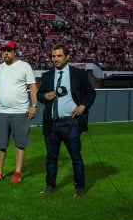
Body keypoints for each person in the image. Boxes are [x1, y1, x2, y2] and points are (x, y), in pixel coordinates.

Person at [36, 44, 96, 197]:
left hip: (72, 123)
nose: (55, 59)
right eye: (53, 56)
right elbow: (39, 95)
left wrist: (83, 105)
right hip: (52, 123)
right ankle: (50, 186)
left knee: (76, 157)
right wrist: (44, 96)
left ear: (67, 57)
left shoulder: (78, 74)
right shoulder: (47, 75)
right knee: (51, 158)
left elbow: (91, 93)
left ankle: (80, 188)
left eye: (59, 56)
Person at [0, 40, 38, 183]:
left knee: (20, 143)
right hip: (1, 112)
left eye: (8, 50)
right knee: (0, 144)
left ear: (14, 52)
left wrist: (34, 105)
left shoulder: (24, 66)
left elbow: (32, 86)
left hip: (20, 112)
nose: (5, 53)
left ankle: (17, 173)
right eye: (3, 50)